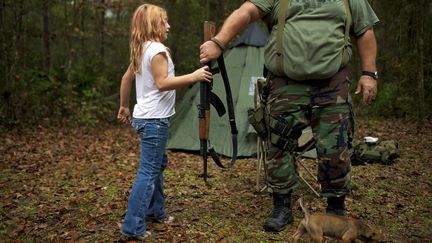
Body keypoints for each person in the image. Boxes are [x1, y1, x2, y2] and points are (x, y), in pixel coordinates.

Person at [200, 0, 379, 233]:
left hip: (332, 84)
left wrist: (369, 73)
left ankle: (336, 208)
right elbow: (246, 12)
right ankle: (282, 206)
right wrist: (219, 42)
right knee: (278, 143)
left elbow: (365, 31)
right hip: (286, 83)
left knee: (335, 146)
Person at [117, 3, 212, 240]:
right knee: (149, 171)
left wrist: (124, 106)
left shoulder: (141, 48)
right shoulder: (157, 50)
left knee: (157, 165)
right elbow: (162, 83)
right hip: (154, 121)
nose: (168, 25)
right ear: (153, 24)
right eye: (164, 21)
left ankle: (155, 210)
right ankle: (132, 226)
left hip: (145, 118)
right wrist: (195, 76)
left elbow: (126, 78)